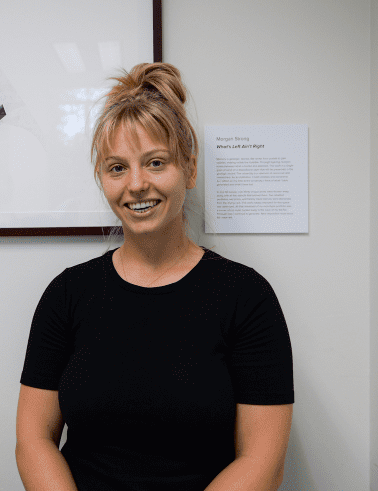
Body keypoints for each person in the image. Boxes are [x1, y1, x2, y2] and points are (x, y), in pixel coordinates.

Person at [15, 63, 294, 491]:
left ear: (190, 169)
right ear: (102, 179)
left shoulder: (246, 297)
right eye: (117, 168)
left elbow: (263, 461)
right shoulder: (67, 295)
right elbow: (33, 440)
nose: (137, 184)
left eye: (156, 162)